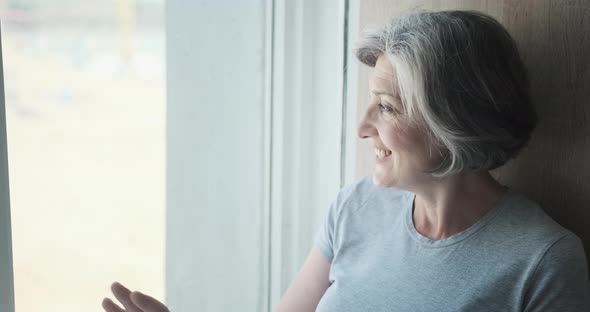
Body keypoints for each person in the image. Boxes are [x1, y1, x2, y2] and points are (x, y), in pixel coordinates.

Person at [102, 10, 590, 312]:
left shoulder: (543, 261)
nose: (362, 127)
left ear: (455, 122)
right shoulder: (355, 206)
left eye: (388, 106)